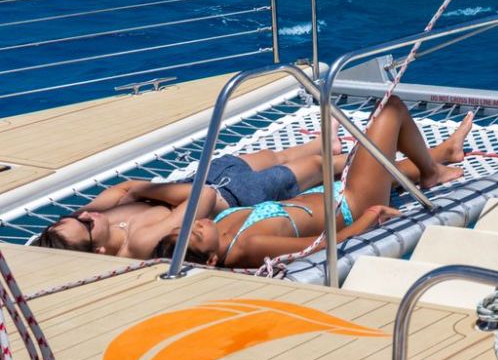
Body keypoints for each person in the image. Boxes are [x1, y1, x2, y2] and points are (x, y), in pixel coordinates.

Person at [177, 96, 471, 268]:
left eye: (190, 228)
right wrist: (368, 218)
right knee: (389, 109)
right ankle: (432, 172)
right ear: (213, 260)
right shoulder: (247, 246)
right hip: (354, 204)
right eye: (197, 235)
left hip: (328, 194)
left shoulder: (222, 227)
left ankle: (444, 154)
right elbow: (318, 246)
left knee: (380, 161)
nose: (198, 225)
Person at [34, 138, 351, 258]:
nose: (87, 216)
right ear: (99, 250)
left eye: (77, 217)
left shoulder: (95, 220)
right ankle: (364, 159)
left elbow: (120, 191)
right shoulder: (141, 242)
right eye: (86, 225)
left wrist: (131, 192)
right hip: (233, 193)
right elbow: (205, 197)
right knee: (316, 167)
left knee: (275, 155)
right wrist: (142, 189)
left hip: (204, 178)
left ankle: (328, 141)